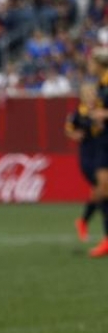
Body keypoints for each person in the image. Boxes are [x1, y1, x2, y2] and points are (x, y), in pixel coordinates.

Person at [65, 82, 103, 243]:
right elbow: (68, 129)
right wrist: (74, 135)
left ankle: (83, 222)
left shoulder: (100, 111)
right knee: (101, 189)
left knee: (98, 192)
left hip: (101, 153)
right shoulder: (77, 114)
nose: (90, 96)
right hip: (88, 156)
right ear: (82, 96)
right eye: (87, 93)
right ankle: (84, 222)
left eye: (92, 93)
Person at [86, 47, 108, 258]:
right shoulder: (100, 84)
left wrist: (103, 113)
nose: (89, 66)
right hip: (103, 140)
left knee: (103, 189)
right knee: (102, 190)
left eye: (91, 62)